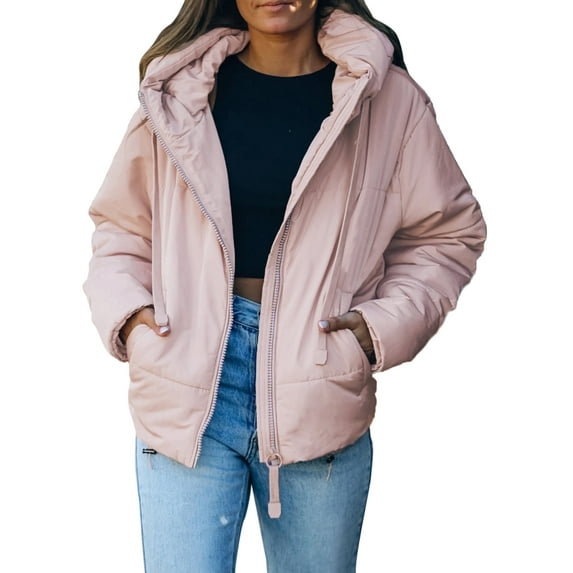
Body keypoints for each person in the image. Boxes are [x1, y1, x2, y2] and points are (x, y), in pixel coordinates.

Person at [84, 0, 486, 571]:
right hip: (185, 379)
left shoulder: (386, 99)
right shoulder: (179, 92)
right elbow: (123, 227)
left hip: (319, 385)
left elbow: (447, 233)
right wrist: (132, 318)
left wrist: (376, 329)